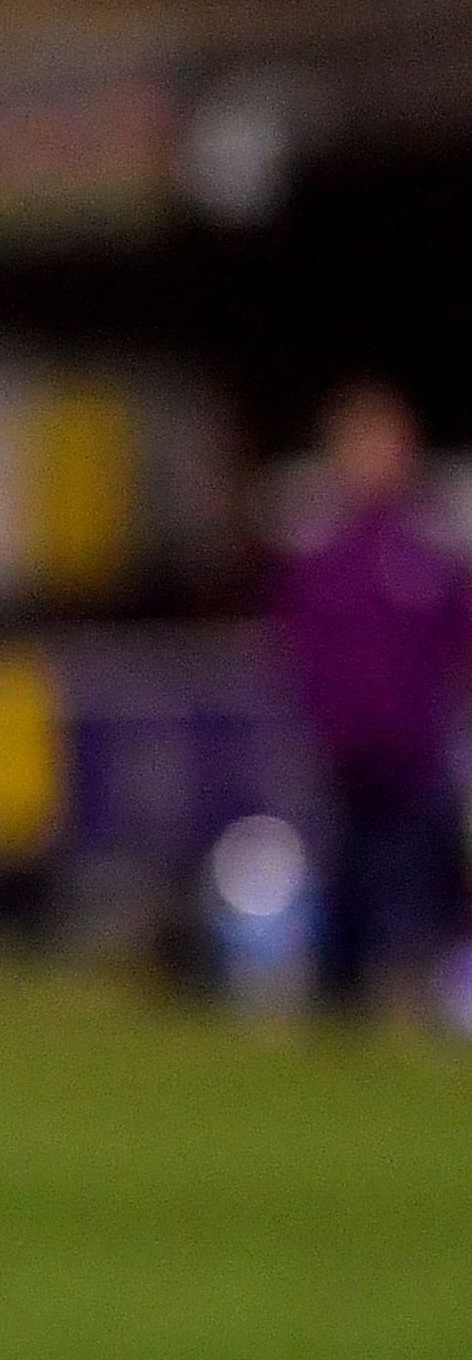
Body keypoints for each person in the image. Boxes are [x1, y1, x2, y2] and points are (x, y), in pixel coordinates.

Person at [269, 380, 472, 1019]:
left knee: (412, 881)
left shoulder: (429, 545)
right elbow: (294, 646)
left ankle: (409, 992)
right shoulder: (319, 548)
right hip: (340, 757)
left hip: (414, 756)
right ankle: (339, 995)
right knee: (344, 879)